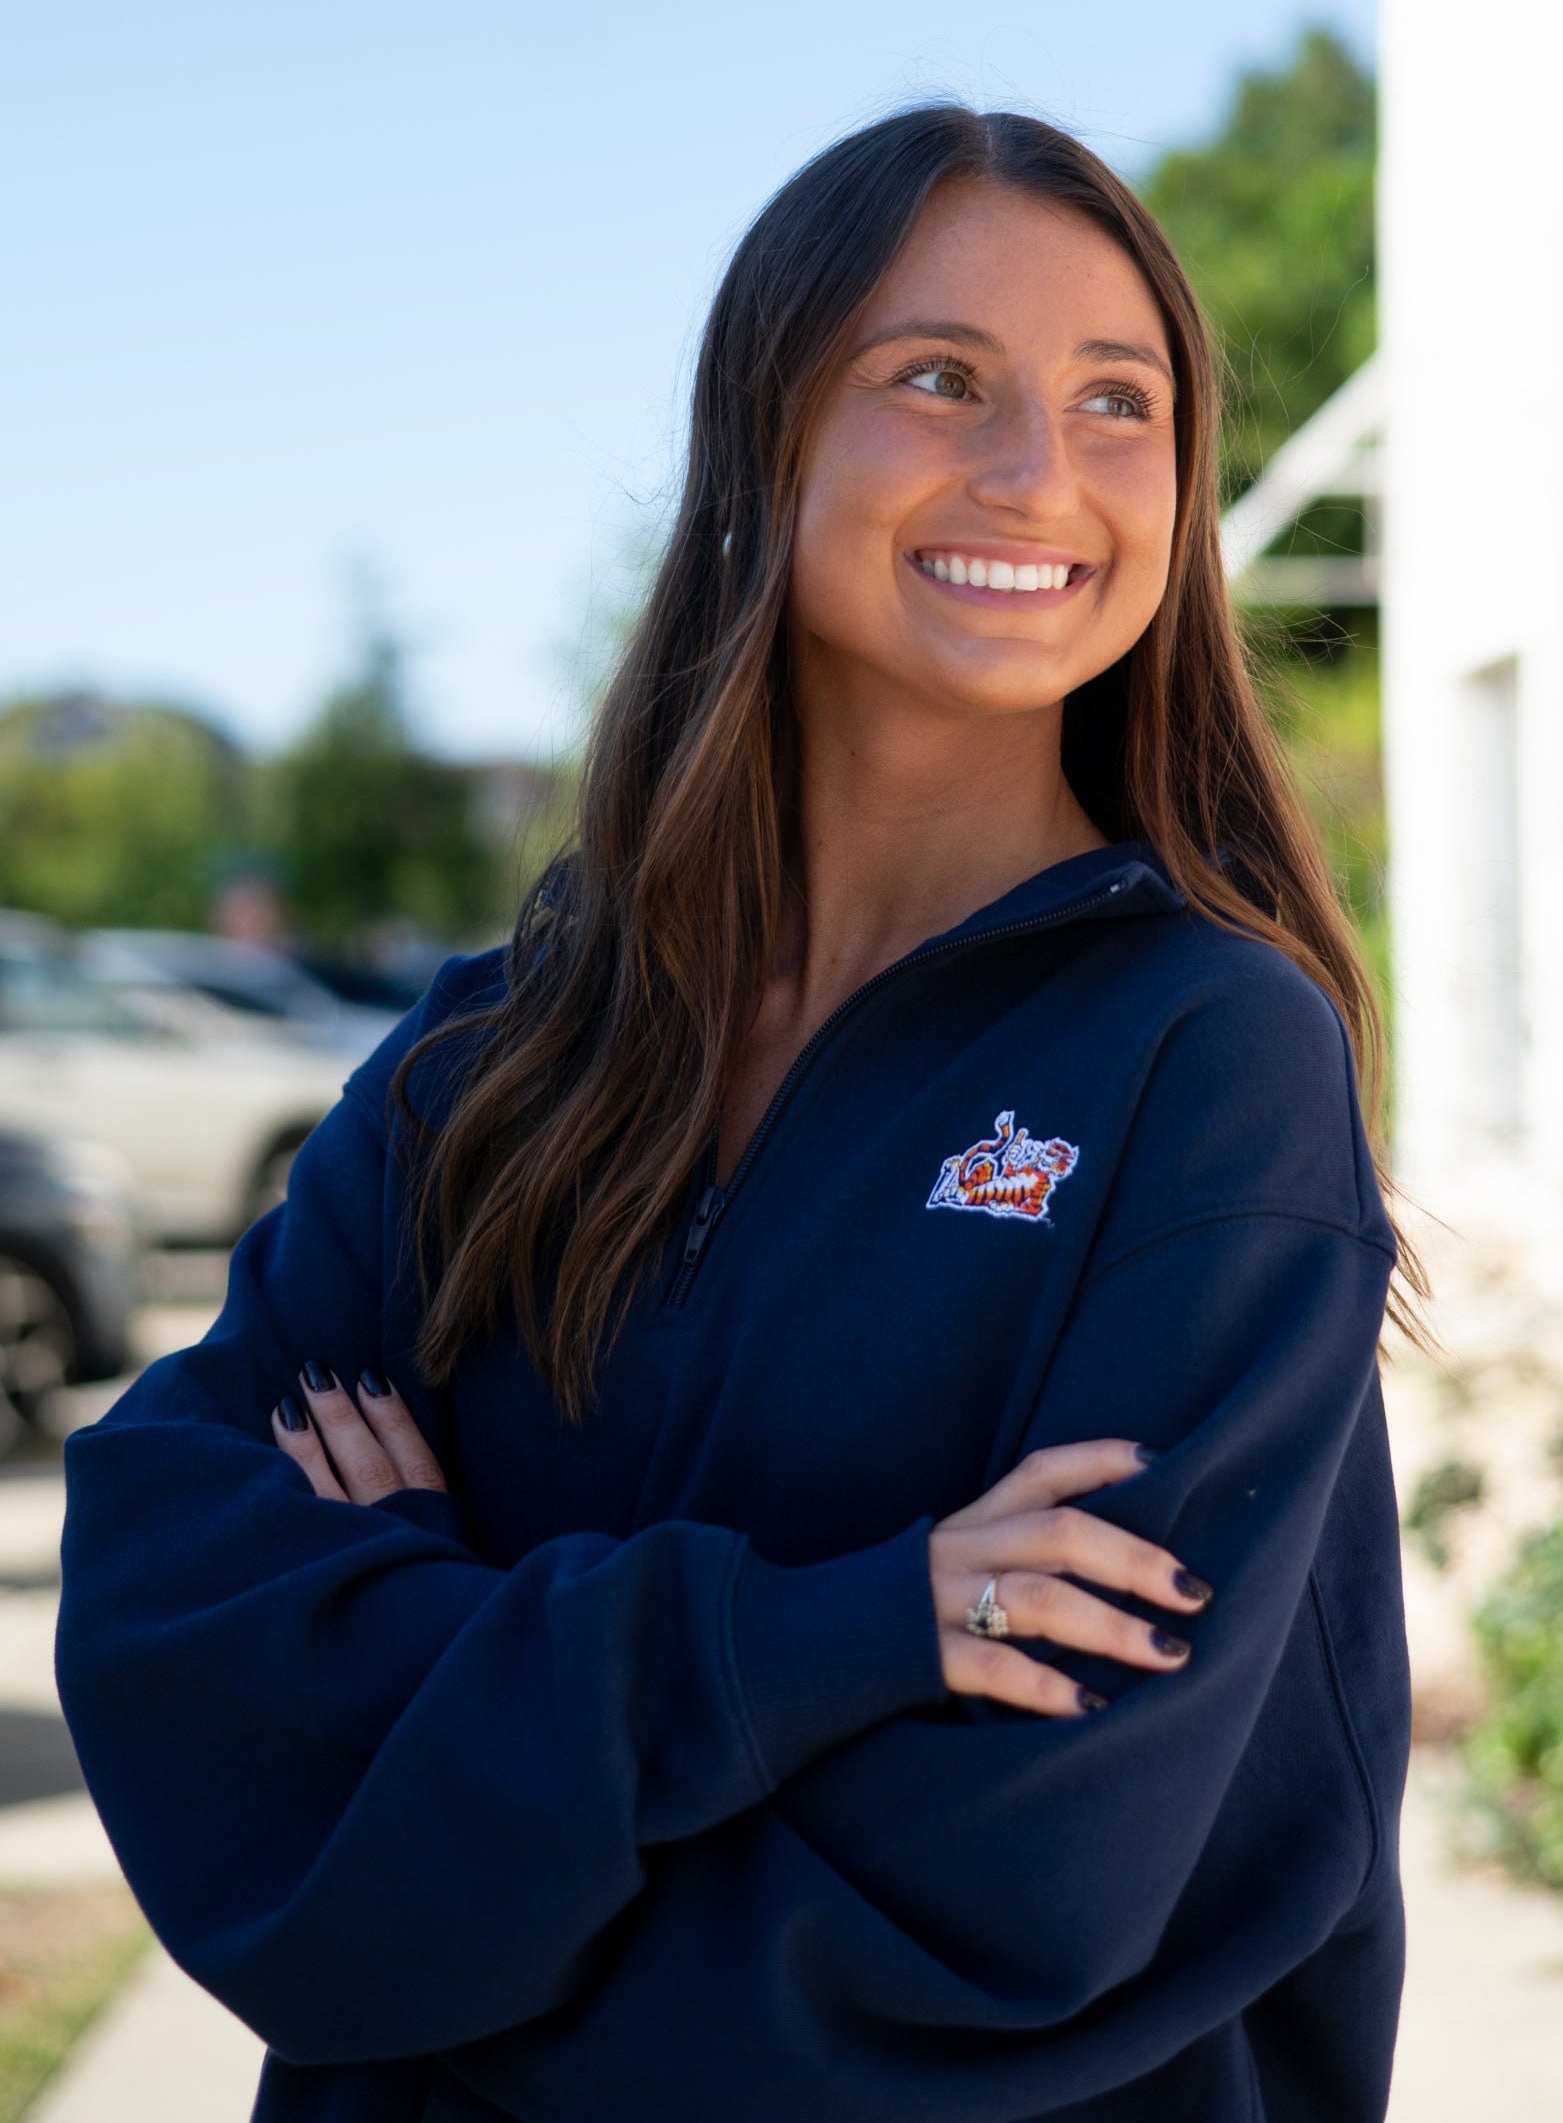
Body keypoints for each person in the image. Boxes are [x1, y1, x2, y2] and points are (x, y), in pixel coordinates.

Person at [54, 106, 1420, 2123]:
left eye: (1116, 401)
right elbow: (174, 1610)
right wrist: (811, 1643)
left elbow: (1018, 1887)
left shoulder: (1204, 1054)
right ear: (763, 430)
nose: (1039, 469)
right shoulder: (504, 1051)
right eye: (938, 377)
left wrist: (429, 1791)